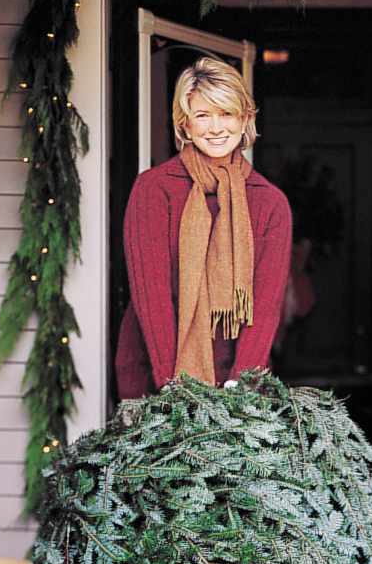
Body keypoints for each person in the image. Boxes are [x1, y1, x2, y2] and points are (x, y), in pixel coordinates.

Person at [115, 56, 293, 400]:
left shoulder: (270, 203)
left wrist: (242, 388)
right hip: (154, 376)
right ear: (185, 125)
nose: (215, 128)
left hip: (239, 382)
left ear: (245, 120)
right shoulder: (154, 190)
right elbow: (151, 297)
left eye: (226, 113)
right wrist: (174, 389)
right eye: (202, 115)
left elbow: (266, 308)